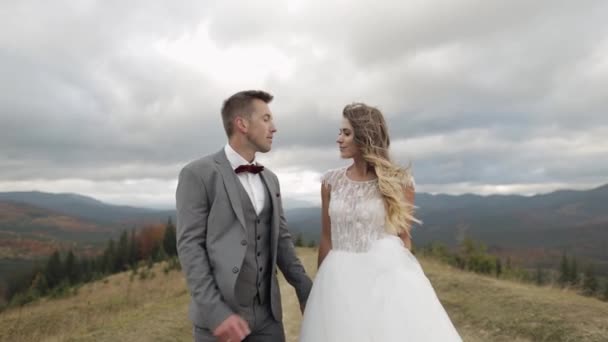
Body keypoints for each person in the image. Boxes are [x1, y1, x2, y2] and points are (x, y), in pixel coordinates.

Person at [299, 103, 462, 341]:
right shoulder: (330, 182)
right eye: (339, 132)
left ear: (365, 136)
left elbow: (404, 238)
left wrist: (400, 282)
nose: (339, 139)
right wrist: (318, 292)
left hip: (384, 281)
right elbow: (327, 238)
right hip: (338, 283)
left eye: (346, 133)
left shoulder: (399, 182)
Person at [176, 90, 312, 342]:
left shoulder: (271, 180)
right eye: (266, 119)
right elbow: (190, 247)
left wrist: (305, 289)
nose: (274, 127)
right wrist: (216, 313)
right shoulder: (198, 174)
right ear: (242, 124)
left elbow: (281, 240)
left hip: (268, 319)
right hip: (219, 322)